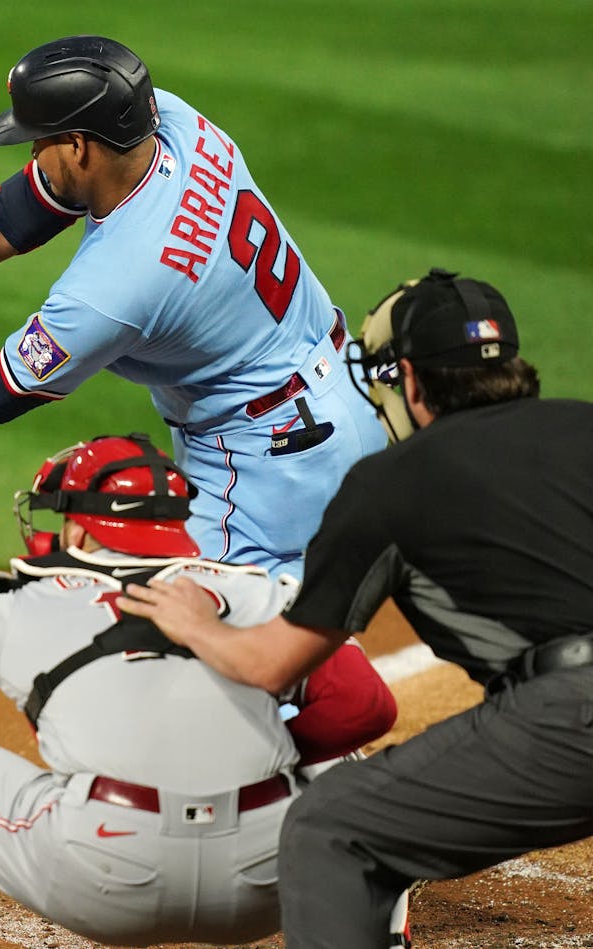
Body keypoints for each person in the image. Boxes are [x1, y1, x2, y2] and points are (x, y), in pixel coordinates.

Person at [0, 35, 387, 578]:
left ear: (80, 146)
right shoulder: (172, 121)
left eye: (39, 142)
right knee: (288, 646)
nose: (31, 155)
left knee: (210, 659)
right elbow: (20, 211)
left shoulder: (113, 289)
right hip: (338, 395)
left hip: (268, 459)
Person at [115, 269, 593, 948]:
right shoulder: (584, 425)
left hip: (569, 723)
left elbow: (276, 663)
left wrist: (196, 621)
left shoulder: (389, 484)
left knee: (327, 826)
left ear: (411, 380)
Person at [0, 433, 395, 948]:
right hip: (266, 885)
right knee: (351, 772)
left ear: (77, 528)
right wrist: (265, 752)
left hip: (102, 880)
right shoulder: (258, 593)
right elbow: (365, 707)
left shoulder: (12, 610)